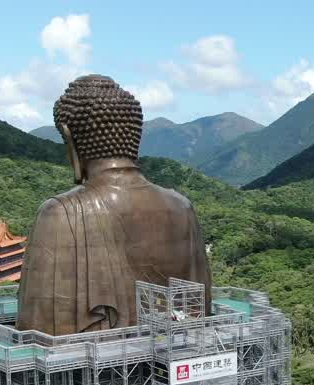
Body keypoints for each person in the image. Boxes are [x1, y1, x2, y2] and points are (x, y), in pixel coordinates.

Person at [17, 75, 211, 335]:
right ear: (134, 137)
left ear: (69, 136)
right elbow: (201, 310)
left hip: (94, 371)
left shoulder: (61, 214)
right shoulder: (183, 208)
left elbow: (38, 330)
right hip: (178, 359)